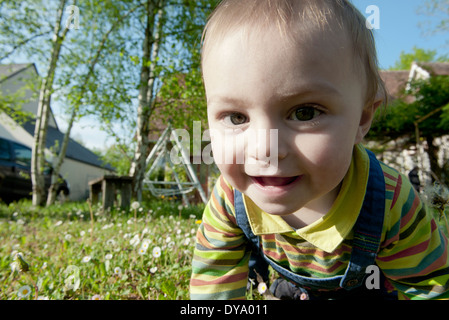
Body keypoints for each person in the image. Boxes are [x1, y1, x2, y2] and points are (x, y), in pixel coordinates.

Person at [190, 0, 449, 300]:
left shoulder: (392, 202)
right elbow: (214, 286)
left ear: (363, 117)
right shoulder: (230, 198)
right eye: (237, 117)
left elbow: (430, 288)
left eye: (304, 113)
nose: (264, 150)